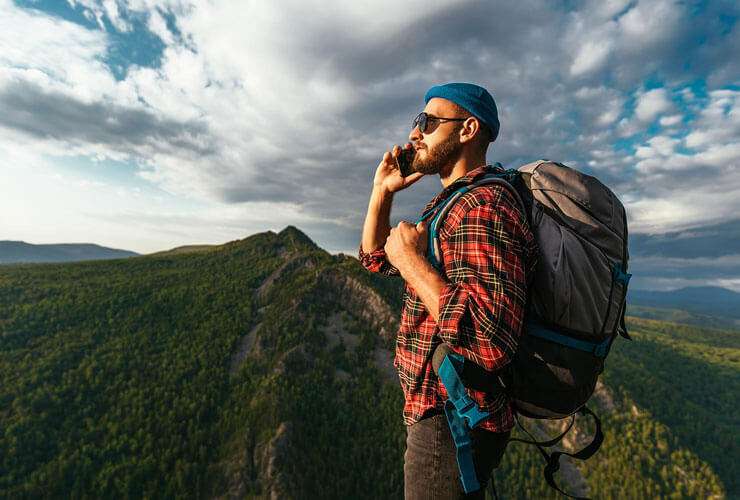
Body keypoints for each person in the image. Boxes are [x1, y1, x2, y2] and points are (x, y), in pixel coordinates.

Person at [358, 83, 538, 499]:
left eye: (430, 122)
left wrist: (412, 262)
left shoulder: (483, 208)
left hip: (452, 418)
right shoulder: (454, 204)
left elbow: (491, 341)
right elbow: (376, 258)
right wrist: (381, 191)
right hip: (445, 410)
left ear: (468, 129)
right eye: (417, 121)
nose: (415, 132)